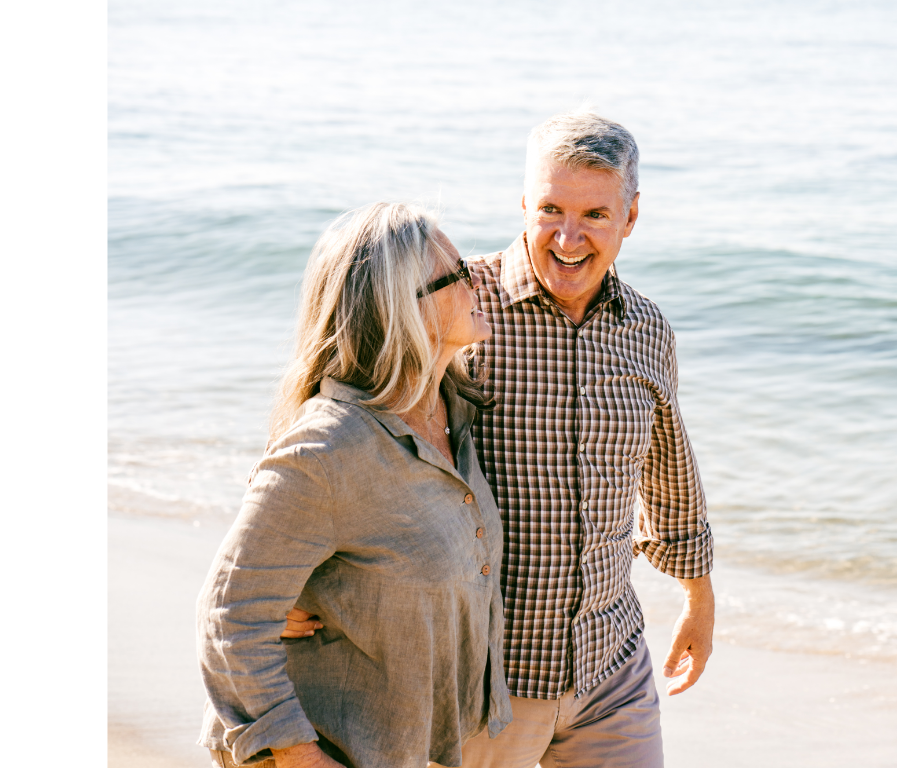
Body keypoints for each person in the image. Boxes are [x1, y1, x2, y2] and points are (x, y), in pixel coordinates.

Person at [289, 112, 716, 767]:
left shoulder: (647, 330)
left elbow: (666, 467)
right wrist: (291, 576)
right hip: (483, 684)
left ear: (630, 217)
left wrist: (697, 596)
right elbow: (339, 429)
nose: (568, 237)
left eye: (595, 215)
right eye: (550, 209)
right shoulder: (457, 309)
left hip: (610, 667)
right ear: (522, 203)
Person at [197, 202, 513, 768]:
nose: (478, 282)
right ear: (405, 310)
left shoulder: (456, 413)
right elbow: (230, 614)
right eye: (459, 273)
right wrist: (298, 756)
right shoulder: (330, 446)